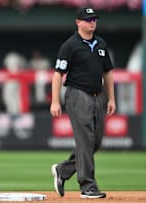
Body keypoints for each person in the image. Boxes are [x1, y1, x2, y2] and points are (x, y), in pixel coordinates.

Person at [50, 7, 116, 199]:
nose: (92, 22)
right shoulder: (70, 45)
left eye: (94, 19)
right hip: (78, 95)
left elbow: (108, 73)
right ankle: (88, 186)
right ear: (78, 22)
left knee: (96, 141)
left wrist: (111, 98)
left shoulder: (101, 43)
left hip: (99, 95)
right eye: (88, 19)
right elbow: (58, 74)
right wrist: (55, 101)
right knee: (85, 140)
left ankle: (63, 170)